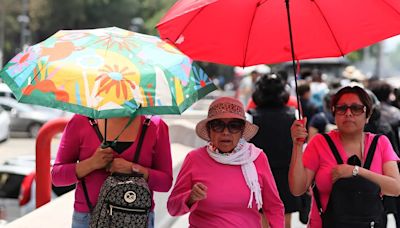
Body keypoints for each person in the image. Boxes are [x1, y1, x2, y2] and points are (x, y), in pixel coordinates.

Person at [289, 86, 400, 227]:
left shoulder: (380, 143)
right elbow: (297, 188)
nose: (348, 113)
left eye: (356, 108)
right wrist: (297, 146)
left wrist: (355, 171)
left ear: (368, 116)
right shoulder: (319, 142)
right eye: (341, 108)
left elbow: (396, 188)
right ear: (334, 114)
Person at [167, 97, 284, 227]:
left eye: (234, 126)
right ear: (209, 130)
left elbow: (274, 207)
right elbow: (172, 208)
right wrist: (190, 198)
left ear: (241, 131)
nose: (225, 132)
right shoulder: (194, 158)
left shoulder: (257, 158)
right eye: (218, 126)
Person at [51, 114, 173, 228]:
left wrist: (134, 169)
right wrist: (91, 163)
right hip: (88, 217)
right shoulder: (81, 121)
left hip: (137, 217)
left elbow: (165, 183)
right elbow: (57, 177)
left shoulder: (155, 125)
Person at [248, 73, 302, 227]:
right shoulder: (294, 115)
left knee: (263, 219)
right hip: (287, 174)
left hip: (259, 175)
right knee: (285, 221)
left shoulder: (251, 117)